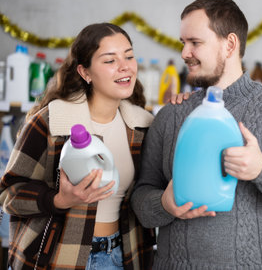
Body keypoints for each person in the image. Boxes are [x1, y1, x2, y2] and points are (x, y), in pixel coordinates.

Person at [131, 0, 262, 269]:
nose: (184, 53)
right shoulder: (172, 114)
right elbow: (141, 199)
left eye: (195, 43)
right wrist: (163, 204)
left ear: (230, 44)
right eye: (183, 43)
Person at [0, 23, 155, 269]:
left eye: (129, 56)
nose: (125, 66)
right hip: (58, 258)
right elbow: (9, 194)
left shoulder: (143, 127)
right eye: (109, 60)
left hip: (122, 257)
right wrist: (58, 200)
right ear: (85, 72)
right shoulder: (52, 121)